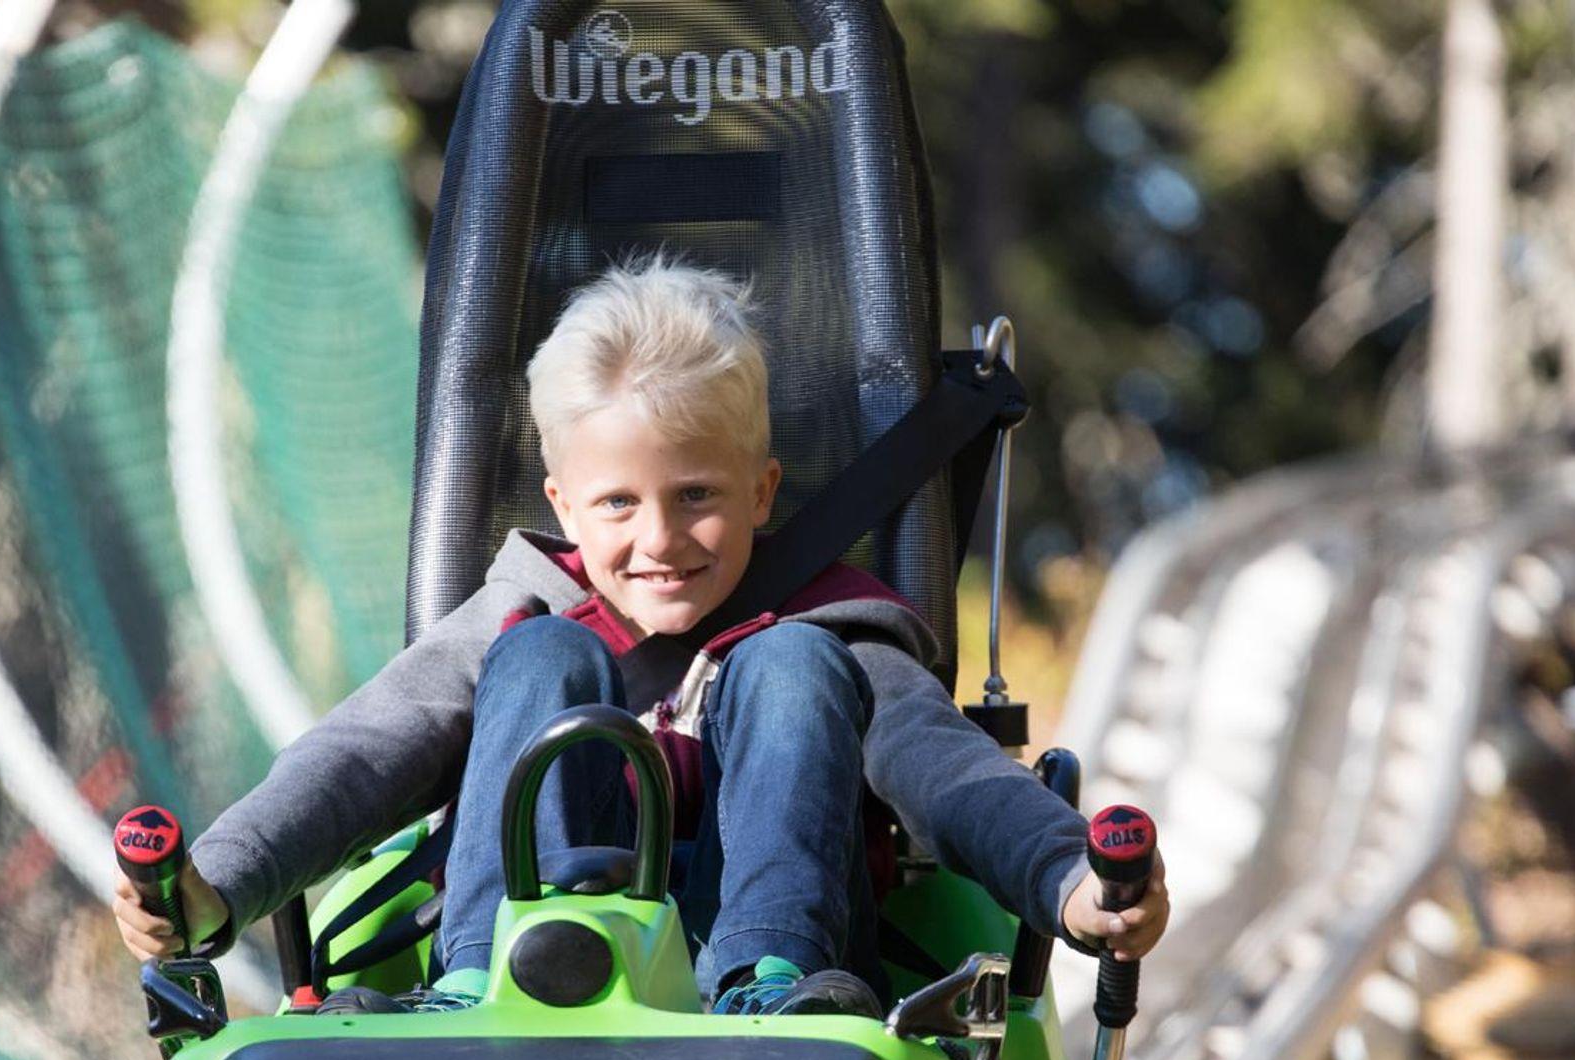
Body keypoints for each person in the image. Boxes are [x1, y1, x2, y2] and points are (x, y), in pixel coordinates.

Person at [114, 254, 1169, 1014]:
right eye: (618, 503)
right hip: (536, 969)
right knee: (538, 659)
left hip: (784, 983)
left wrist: (1068, 880)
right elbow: (361, 750)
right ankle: (478, 981)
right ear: (563, 506)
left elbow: (949, 773)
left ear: (762, 492)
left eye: (696, 495)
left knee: (788, 663)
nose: (658, 539)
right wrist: (219, 882)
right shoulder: (523, 611)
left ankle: (766, 980)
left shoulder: (836, 626)